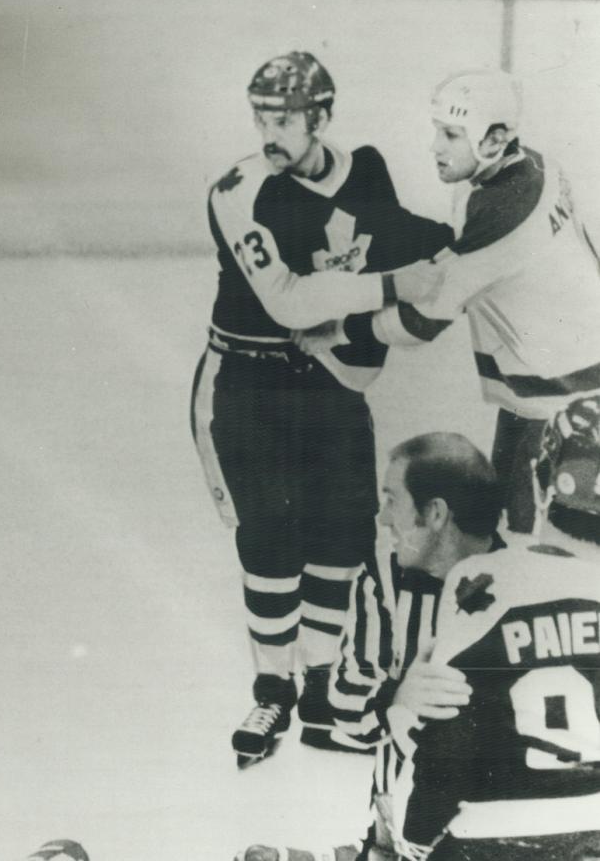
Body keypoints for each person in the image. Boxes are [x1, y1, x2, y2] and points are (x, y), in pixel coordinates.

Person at [190, 50, 454, 769]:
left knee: (338, 542)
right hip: (248, 382)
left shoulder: (363, 169)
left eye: (285, 118)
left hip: (325, 381)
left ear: (322, 117)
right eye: (260, 116)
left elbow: (396, 233)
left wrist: (460, 251)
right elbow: (289, 302)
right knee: (271, 543)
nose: (269, 131)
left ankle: (317, 691)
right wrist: (398, 282)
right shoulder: (241, 192)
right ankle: (271, 687)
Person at [308, 70, 600, 536]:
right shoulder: (535, 166)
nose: (435, 147)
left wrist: (339, 330)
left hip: (561, 400)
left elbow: (423, 321)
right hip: (559, 386)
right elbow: (459, 256)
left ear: (496, 137)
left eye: (450, 134)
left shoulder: (501, 213)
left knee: (531, 547)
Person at [384, 400, 600, 861]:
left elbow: (448, 741)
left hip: (493, 832)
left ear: (542, 483)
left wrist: (413, 840)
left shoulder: (483, 578)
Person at [327, 434, 506, 861]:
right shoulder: (383, 582)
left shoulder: (517, 582)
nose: (383, 517)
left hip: (492, 832)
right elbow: (344, 699)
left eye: (391, 500)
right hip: (400, 831)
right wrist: (397, 697)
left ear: (436, 513)